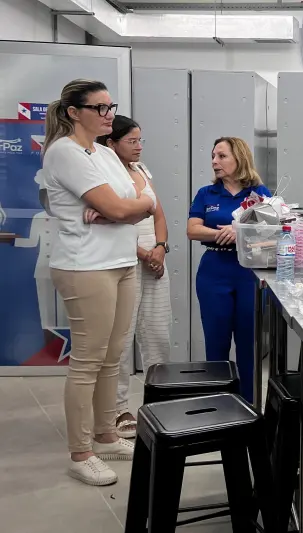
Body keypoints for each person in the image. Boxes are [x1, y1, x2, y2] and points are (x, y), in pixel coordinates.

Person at [41, 79, 155, 485]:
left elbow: (145, 196)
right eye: (100, 108)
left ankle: (106, 435)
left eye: (111, 107)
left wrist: (122, 210)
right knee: (88, 360)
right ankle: (81, 452)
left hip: (121, 261)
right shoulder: (64, 153)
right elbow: (124, 206)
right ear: (74, 112)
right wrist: (121, 210)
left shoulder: (104, 152)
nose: (109, 115)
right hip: (85, 266)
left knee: (113, 356)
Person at [98, 115, 172, 438]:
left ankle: (160, 400)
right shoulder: (104, 175)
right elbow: (112, 220)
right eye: (132, 141)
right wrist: (143, 253)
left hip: (155, 261)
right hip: (124, 259)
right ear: (111, 143)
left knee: (157, 331)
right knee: (121, 337)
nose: (139, 146)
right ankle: (117, 408)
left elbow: (159, 214)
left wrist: (161, 248)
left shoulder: (142, 170)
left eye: (140, 140)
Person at [188, 137, 271, 404]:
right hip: (214, 271)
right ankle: (218, 403)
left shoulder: (259, 194)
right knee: (216, 342)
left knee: (248, 343)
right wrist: (223, 234)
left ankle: (248, 404)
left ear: (239, 158)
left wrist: (240, 233)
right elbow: (192, 230)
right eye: (213, 156)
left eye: (222, 156)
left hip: (249, 273)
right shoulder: (206, 193)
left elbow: (272, 234)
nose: (215, 161)